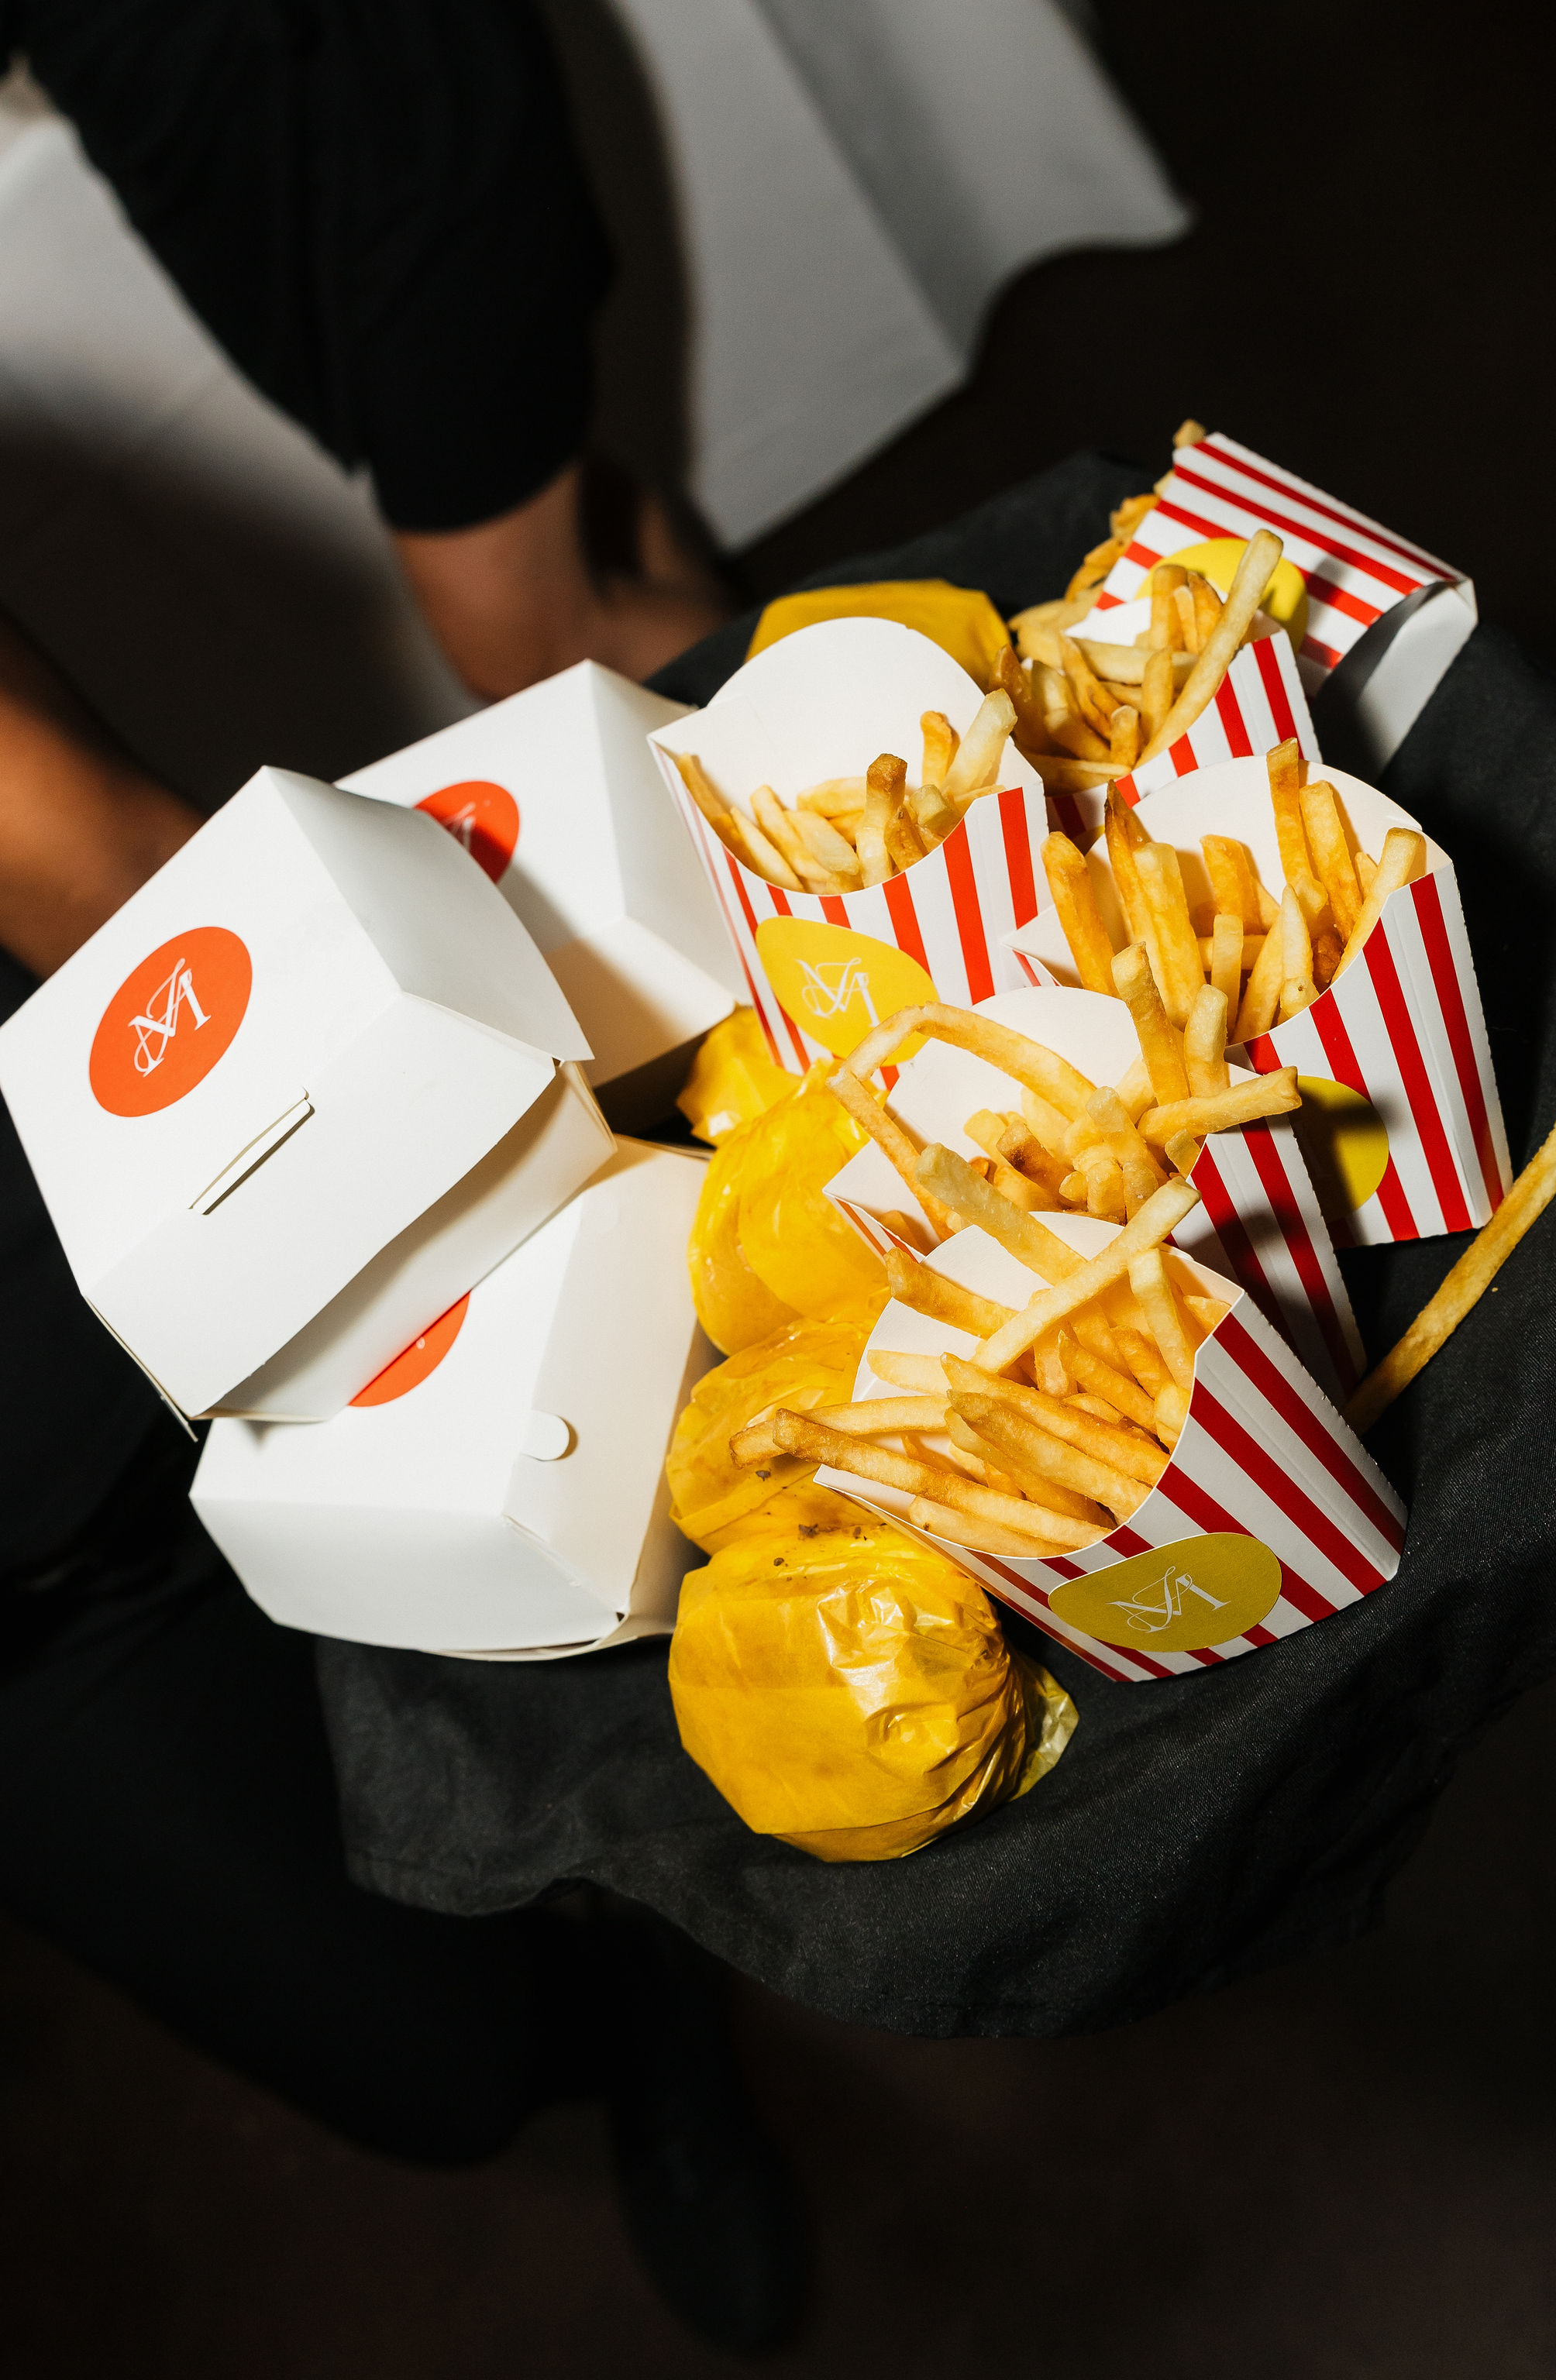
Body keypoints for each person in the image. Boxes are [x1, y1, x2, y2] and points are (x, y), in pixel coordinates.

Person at [0, 4, 799, 2353]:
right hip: (27, 1632)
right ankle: (627, 2013)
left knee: (643, 1666)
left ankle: (664, 1935)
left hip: (209, 1291)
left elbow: (106, 873)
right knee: (431, 2068)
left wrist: (583, 1147)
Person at [0, 0, 729, 700]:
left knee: (532, 650)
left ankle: (783, 741)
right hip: (224, 145)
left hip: (367, 100)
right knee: (567, 509)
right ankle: (759, 707)